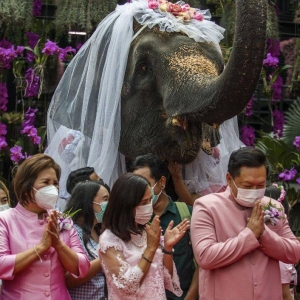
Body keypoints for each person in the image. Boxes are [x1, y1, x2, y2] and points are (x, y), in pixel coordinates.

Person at [191, 147, 300, 300]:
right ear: (229, 179)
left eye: (260, 185)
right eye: (247, 186)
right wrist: (249, 236)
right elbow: (205, 257)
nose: (255, 190)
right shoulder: (207, 207)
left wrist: (265, 235)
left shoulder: (274, 207)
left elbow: (295, 253)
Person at [0, 154, 90, 299]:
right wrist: (41, 247)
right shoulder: (5, 219)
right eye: (46, 182)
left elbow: (83, 267)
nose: (53, 188)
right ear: (26, 186)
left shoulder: (62, 219)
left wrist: (59, 245)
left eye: (55, 183)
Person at [98, 173, 190, 300]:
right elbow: (127, 286)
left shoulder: (146, 231)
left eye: (149, 200)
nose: (148, 206)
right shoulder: (109, 240)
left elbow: (165, 277)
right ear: (126, 205)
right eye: (143, 202)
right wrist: (150, 249)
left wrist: (167, 247)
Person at [131, 153, 198, 300]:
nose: (138, 191)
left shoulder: (187, 214)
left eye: (144, 184)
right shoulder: (132, 220)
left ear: (162, 182)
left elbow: (202, 264)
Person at [65, 180, 109, 300]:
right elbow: (69, 278)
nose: (109, 204)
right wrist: (105, 257)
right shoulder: (70, 231)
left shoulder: (99, 230)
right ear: (88, 202)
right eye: (105, 199)